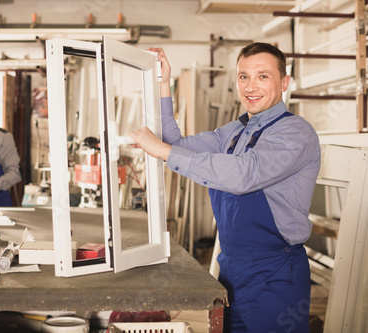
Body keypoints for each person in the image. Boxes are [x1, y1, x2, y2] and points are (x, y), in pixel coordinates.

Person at [129, 43, 321, 332]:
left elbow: (243, 175)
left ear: (284, 82)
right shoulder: (234, 132)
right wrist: (164, 82)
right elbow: (178, 146)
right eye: (243, 76)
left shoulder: (295, 132)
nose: (251, 86)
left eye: (263, 76)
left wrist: (160, 150)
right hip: (231, 269)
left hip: (275, 274)